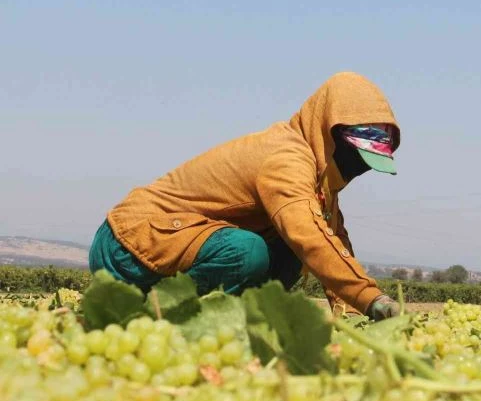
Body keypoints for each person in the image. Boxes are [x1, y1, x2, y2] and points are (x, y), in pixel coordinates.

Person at [89, 72, 401, 321]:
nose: (358, 169)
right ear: (330, 133)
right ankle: (162, 319)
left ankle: (231, 321)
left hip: (168, 244)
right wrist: (372, 299)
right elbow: (311, 237)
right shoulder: (287, 160)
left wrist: (355, 312)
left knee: (288, 254)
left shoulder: (318, 184)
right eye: (358, 156)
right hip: (128, 243)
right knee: (248, 252)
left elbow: (332, 242)